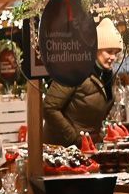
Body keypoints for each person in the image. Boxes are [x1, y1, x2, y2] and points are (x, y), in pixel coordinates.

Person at [43, 19, 122, 147]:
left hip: (85, 148)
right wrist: (75, 138)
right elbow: (49, 108)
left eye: (116, 53)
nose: (113, 57)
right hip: (61, 150)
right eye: (109, 51)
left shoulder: (107, 76)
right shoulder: (74, 70)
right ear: (95, 50)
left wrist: (99, 136)